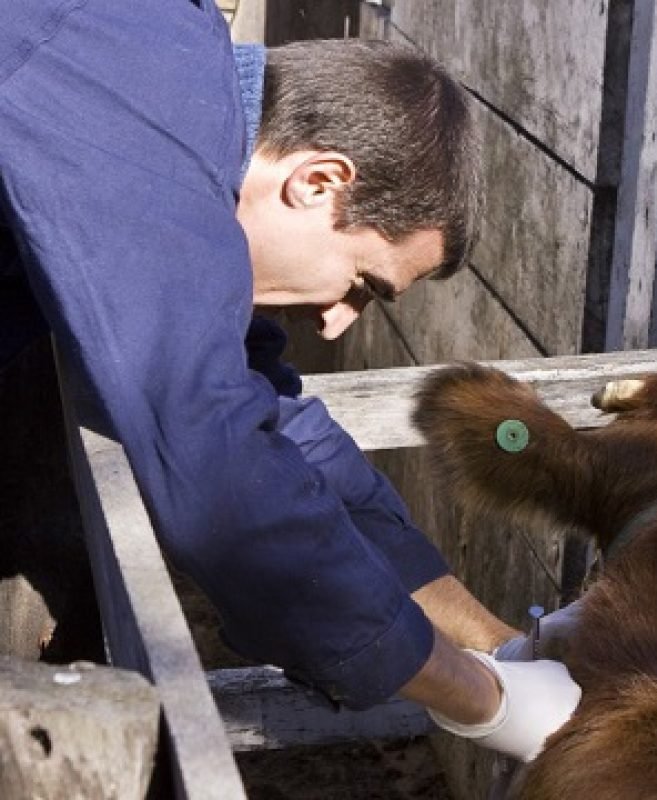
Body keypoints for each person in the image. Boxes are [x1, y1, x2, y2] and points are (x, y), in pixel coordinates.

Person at [0, 0, 579, 762]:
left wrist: (502, 647)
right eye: (363, 283)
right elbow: (217, 460)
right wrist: (486, 704)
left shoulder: (164, 97)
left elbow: (269, 414)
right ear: (317, 182)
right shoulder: (129, 85)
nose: (338, 323)